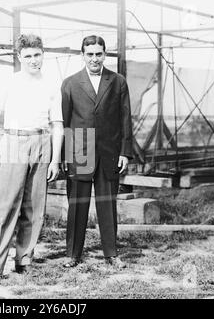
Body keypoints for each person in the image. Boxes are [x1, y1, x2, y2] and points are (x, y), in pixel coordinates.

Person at [0, 34, 64, 289]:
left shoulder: (52, 84)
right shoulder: (11, 82)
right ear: (19, 58)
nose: (33, 60)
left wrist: (55, 159)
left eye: (37, 55)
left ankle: (24, 260)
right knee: (5, 208)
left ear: (43, 55)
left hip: (42, 143)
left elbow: (58, 124)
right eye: (27, 56)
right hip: (14, 143)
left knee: (34, 208)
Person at [61, 35, 133, 269]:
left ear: (104, 54)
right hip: (79, 150)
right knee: (78, 204)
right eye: (90, 54)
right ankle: (73, 254)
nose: (94, 58)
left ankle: (111, 254)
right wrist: (65, 156)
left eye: (98, 54)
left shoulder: (118, 81)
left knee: (107, 204)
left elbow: (125, 119)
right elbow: (64, 121)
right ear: (82, 55)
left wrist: (125, 152)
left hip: (109, 151)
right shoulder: (70, 83)